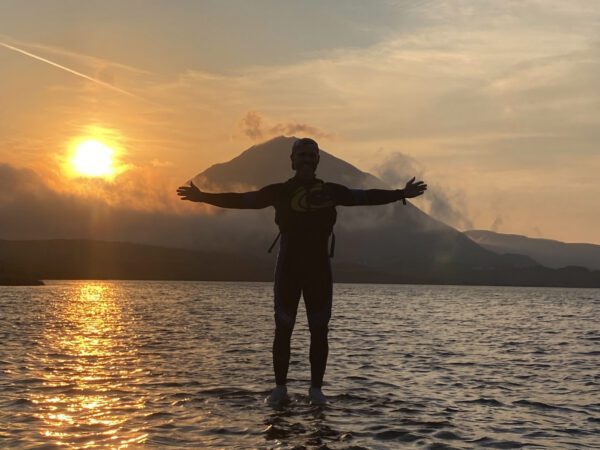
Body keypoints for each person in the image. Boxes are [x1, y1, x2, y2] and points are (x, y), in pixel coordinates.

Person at [176, 138, 427, 406]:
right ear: (293, 161)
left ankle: (316, 390)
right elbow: (243, 200)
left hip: (318, 267)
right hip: (289, 266)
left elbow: (366, 197)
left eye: (311, 155)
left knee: (320, 330)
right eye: (302, 155)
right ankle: (280, 388)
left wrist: (400, 193)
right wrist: (203, 197)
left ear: (317, 160)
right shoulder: (280, 192)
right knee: (283, 328)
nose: (306, 159)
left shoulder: (331, 192)